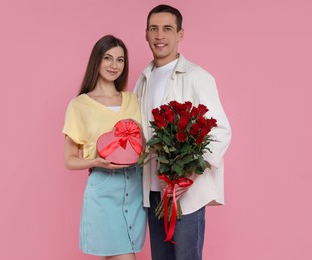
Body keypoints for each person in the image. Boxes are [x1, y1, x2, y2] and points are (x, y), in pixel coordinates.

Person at [134, 4, 232, 260]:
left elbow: (221, 131)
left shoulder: (197, 77)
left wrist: (189, 173)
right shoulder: (142, 79)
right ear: (145, 34)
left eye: (167, 29)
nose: (159, 36)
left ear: (180, 34)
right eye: (153, 29)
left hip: (186, 194)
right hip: (154, 192)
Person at [63, 35, 146, 260]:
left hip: (135, 186)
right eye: (108, 58)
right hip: (103, 187)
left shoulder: (134, 100)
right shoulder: (79, 105)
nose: (114, 65)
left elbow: (143, 143)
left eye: (120, 60)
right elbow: (70, 159)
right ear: (97, 60)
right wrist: (96, 162)